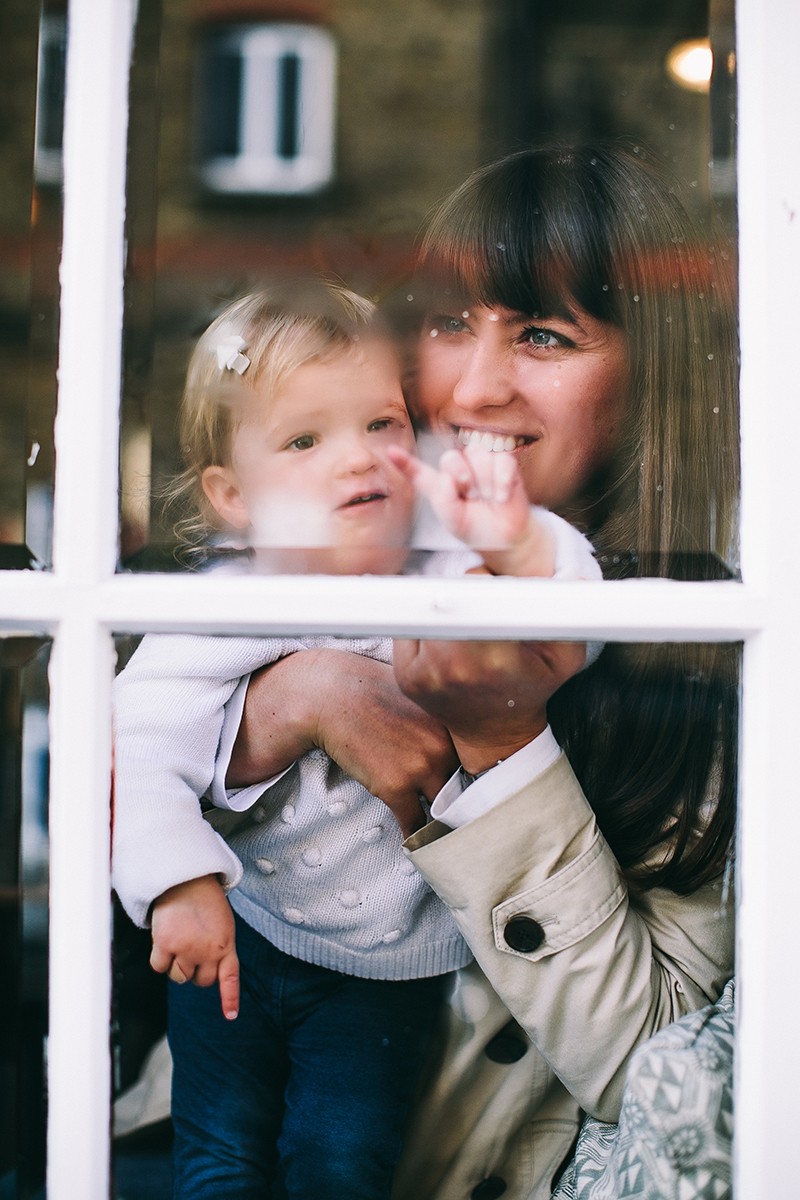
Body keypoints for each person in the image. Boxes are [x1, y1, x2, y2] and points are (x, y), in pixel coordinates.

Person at [221, 143, 739, 1199]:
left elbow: (667, 1079)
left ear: (649, 380)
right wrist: (281, 707)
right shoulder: (327, 534)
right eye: (449, 320)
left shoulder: (719, 658)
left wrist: (506, 752)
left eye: (542, 334)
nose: (472, 383)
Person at [111, 277, 601, 1200]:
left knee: (341, 1160)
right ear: (234, 494)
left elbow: (577, 624)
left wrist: (519, 547)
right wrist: (176, 881)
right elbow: (140, 740)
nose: (357, 460)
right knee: (217, 1156)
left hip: (385, 965)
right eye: (305, 439)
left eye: (381, 424)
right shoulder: (227, 600)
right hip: (239, 930)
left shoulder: (444, 557)